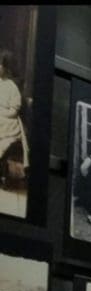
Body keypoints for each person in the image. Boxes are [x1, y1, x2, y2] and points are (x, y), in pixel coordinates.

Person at [0, 51, 25, 190]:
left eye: (0, 65)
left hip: (8, 120)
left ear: (5, 68)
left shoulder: (12, 87)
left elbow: (14, 111)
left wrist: (1, 112)